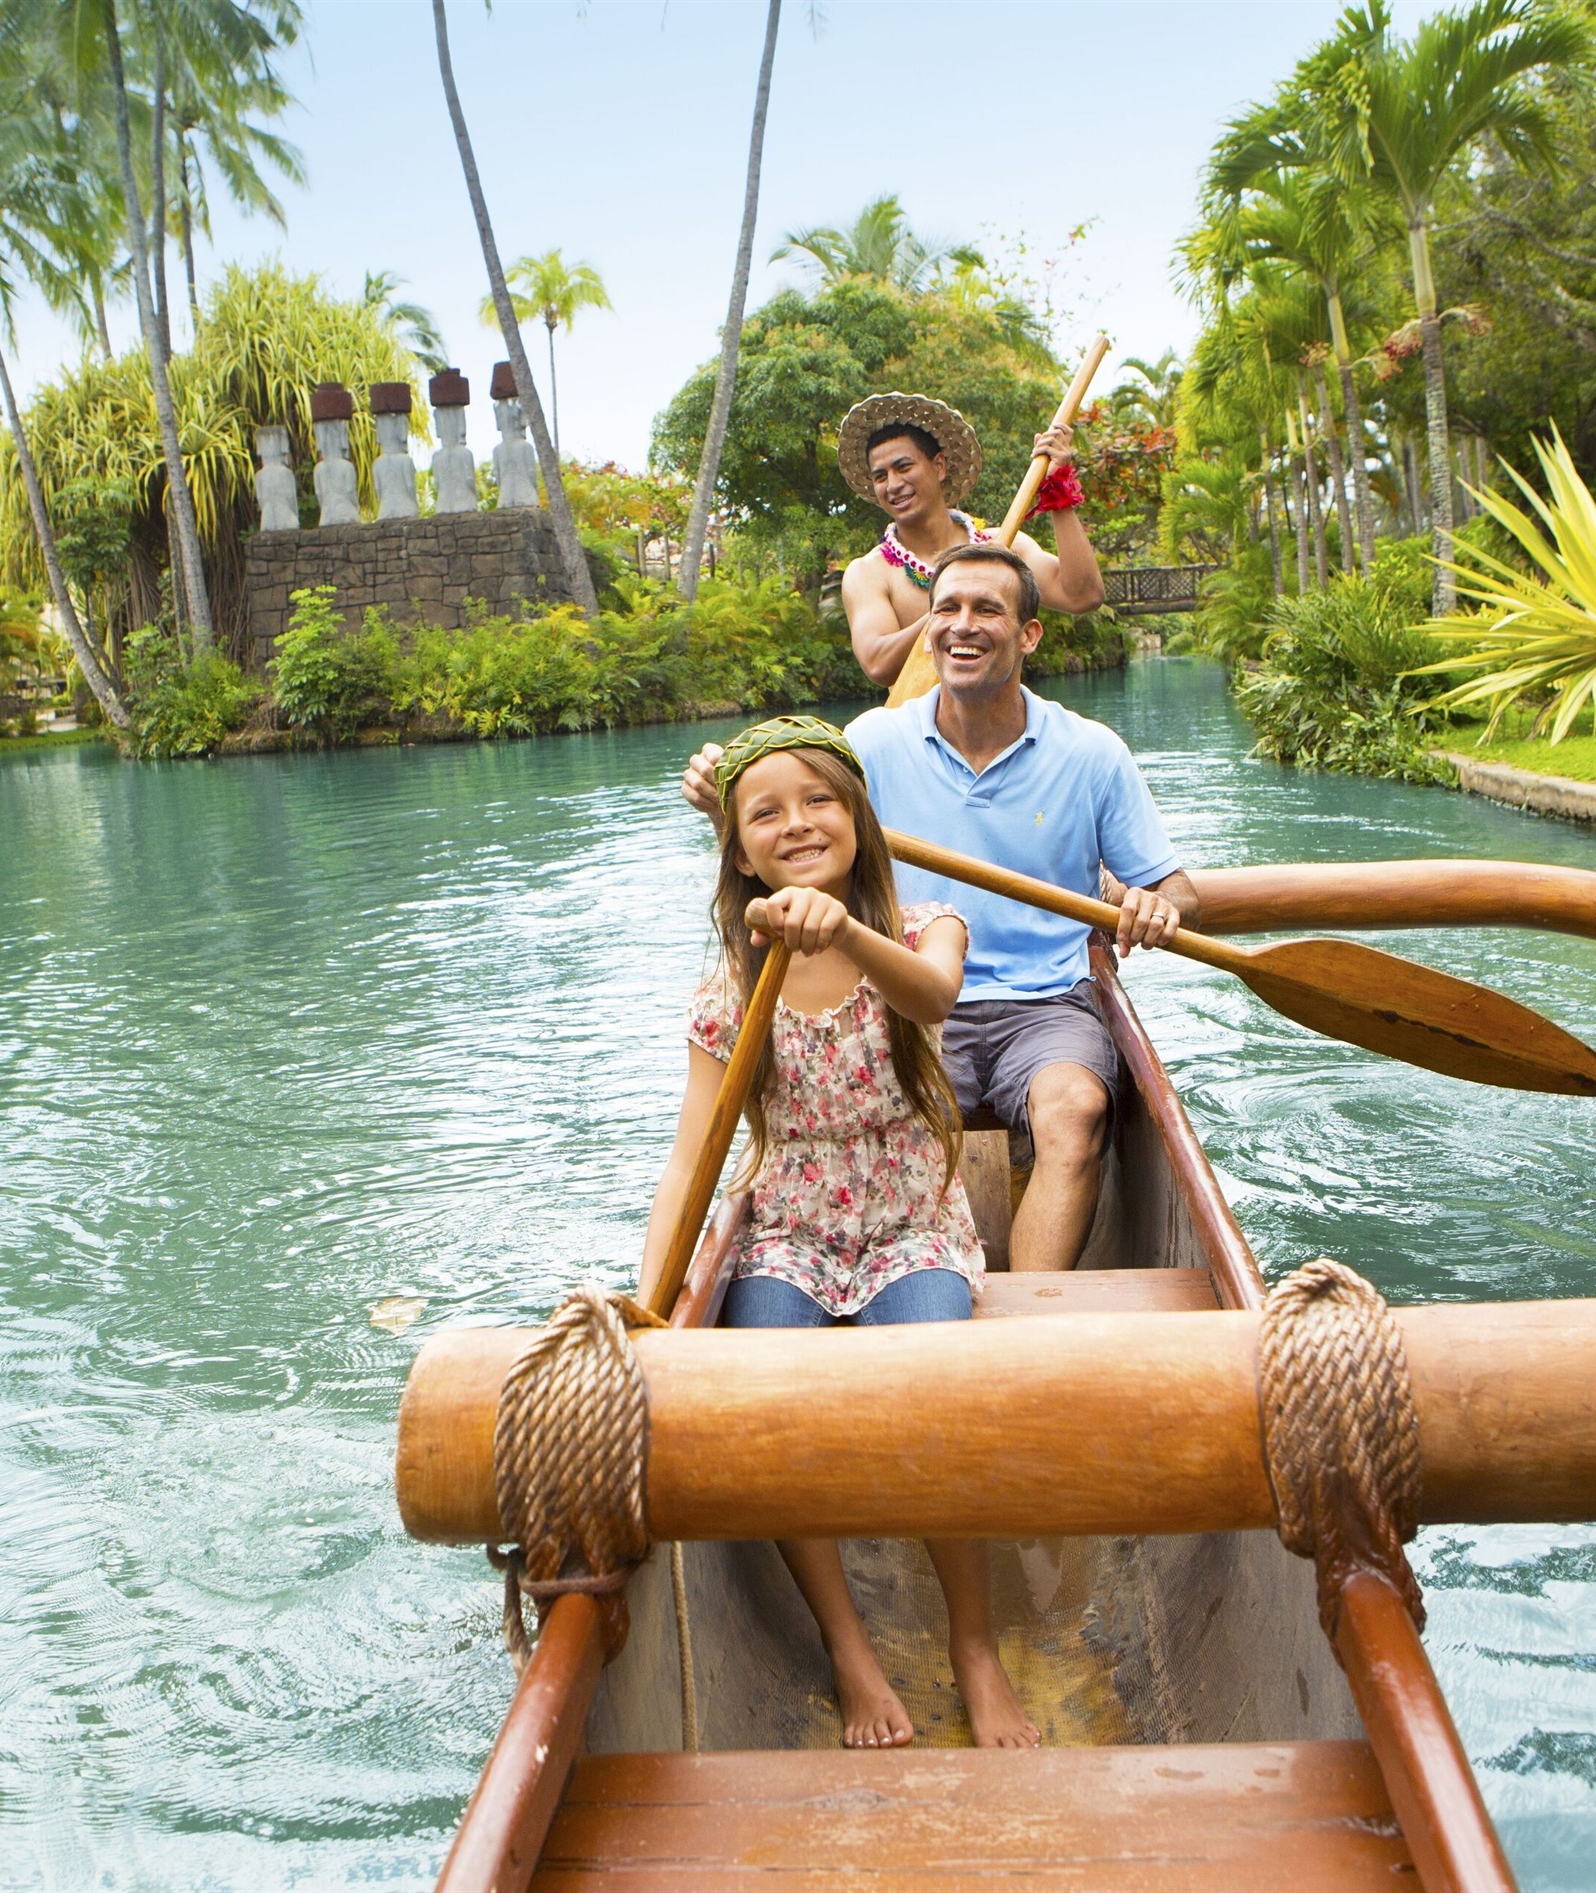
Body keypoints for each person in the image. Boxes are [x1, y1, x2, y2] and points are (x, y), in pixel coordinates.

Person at [640, 713, 1038, 1751]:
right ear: (737, 852)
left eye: (819, 801)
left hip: (911, 1219)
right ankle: (849, 1650)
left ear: (859, 819)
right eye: (765, 813)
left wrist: (840, 929)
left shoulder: (923, 930)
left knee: (935, 1396)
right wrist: (648, 1308)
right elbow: (690, 1160)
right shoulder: (732, 989)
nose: (798, 823)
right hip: (790, 1228)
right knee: (767, 1406)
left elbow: (932, 993)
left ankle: (971, 1648)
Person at [685, 545, 1198, 1273]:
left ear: (1028, 636)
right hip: (905, 993)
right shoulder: (871, 743)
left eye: (987, 609)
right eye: (947, 608)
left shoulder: (1092, 752)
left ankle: (1027, 1319)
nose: (963, 625)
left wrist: (1152, 902)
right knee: (868, 1119)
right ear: (928, 629)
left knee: (1076, 1111)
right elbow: (785, 820)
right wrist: (720, 792)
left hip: (1048, 998)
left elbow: (1181, 892)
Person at [834, 392, 1108, 688]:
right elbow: (878, 664)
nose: (894, 484)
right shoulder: (868, 572)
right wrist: (954, 599)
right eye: (880, 477)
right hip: (920, 731)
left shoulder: (1004, 545)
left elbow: (1084, 596)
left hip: (1002, 728)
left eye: (904, 467)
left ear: (938, 466)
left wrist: (1057, 488)